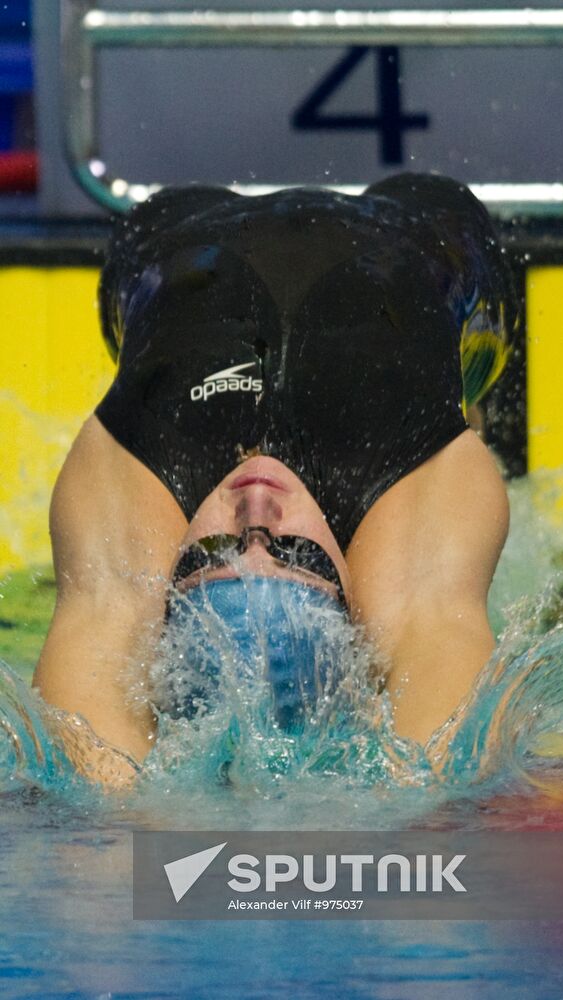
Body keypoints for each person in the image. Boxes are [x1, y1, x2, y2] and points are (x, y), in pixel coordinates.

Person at [32, 173, 515, 776]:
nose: (255, 506)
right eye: (296, 555)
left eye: (210, 553)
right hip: (425, 234)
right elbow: (437, 782)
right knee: (464, 408)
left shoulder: (133, 499)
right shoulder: (405, 517)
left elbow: (97, 794)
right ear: (352, 598)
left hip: (173, 231)